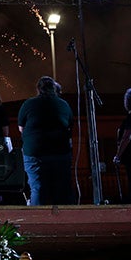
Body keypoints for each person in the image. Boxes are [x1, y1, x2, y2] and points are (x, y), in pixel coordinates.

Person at [17, 76, 75, 206]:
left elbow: (21, 128)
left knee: (37, 188)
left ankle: (37, 221)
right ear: (54, 89)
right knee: (62, 190)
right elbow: (70, 127)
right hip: (60, 152)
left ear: (38, 89)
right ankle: (65, 221)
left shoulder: (28, 104)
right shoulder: (63, 105)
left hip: (35, 153)